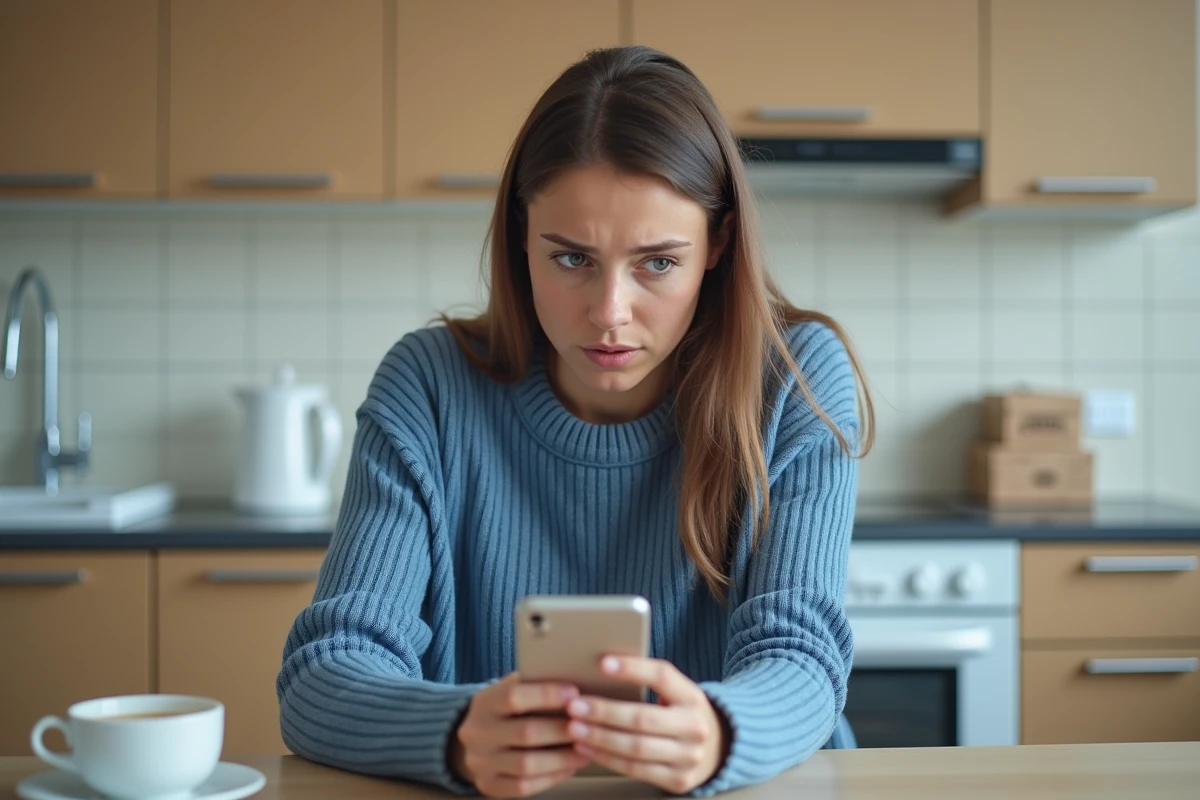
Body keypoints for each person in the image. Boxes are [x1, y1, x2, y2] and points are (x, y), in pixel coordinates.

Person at [276, 45, 874, 798]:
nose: (609, 314)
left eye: (658, 263)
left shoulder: (793, 380)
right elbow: (326, 671)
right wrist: (456, 735)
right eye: (571, 259)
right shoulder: (429, 385)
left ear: (717, 245)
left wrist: (721, 733)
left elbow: (802, 661)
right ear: (523, 236)